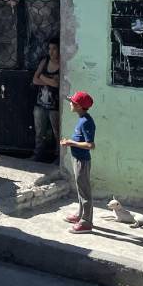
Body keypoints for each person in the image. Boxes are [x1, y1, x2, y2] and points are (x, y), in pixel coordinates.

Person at [60, 91, 96, 234]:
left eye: (72, 102)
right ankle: (80, 215)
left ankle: (86, 222)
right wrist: (70, 142)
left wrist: (71, 143)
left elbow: (90, 145)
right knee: (81, 189)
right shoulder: (82, 119)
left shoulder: (86, 122)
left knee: (85, 192)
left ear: (79, 106)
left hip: (82, 161)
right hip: (77, 159)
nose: (70, 103)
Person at [31, 38, 60, 162]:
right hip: (40, 104)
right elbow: (35, 80)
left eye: (54, 49)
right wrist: (50, 80)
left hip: (55, 106)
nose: (51, 52)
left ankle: (58, 157)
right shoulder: (45, 61)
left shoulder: (62, 63)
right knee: (39, 131)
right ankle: (38, 154)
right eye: (49, 49)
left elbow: (57, 84)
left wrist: (42, 77)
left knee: (57, 132)